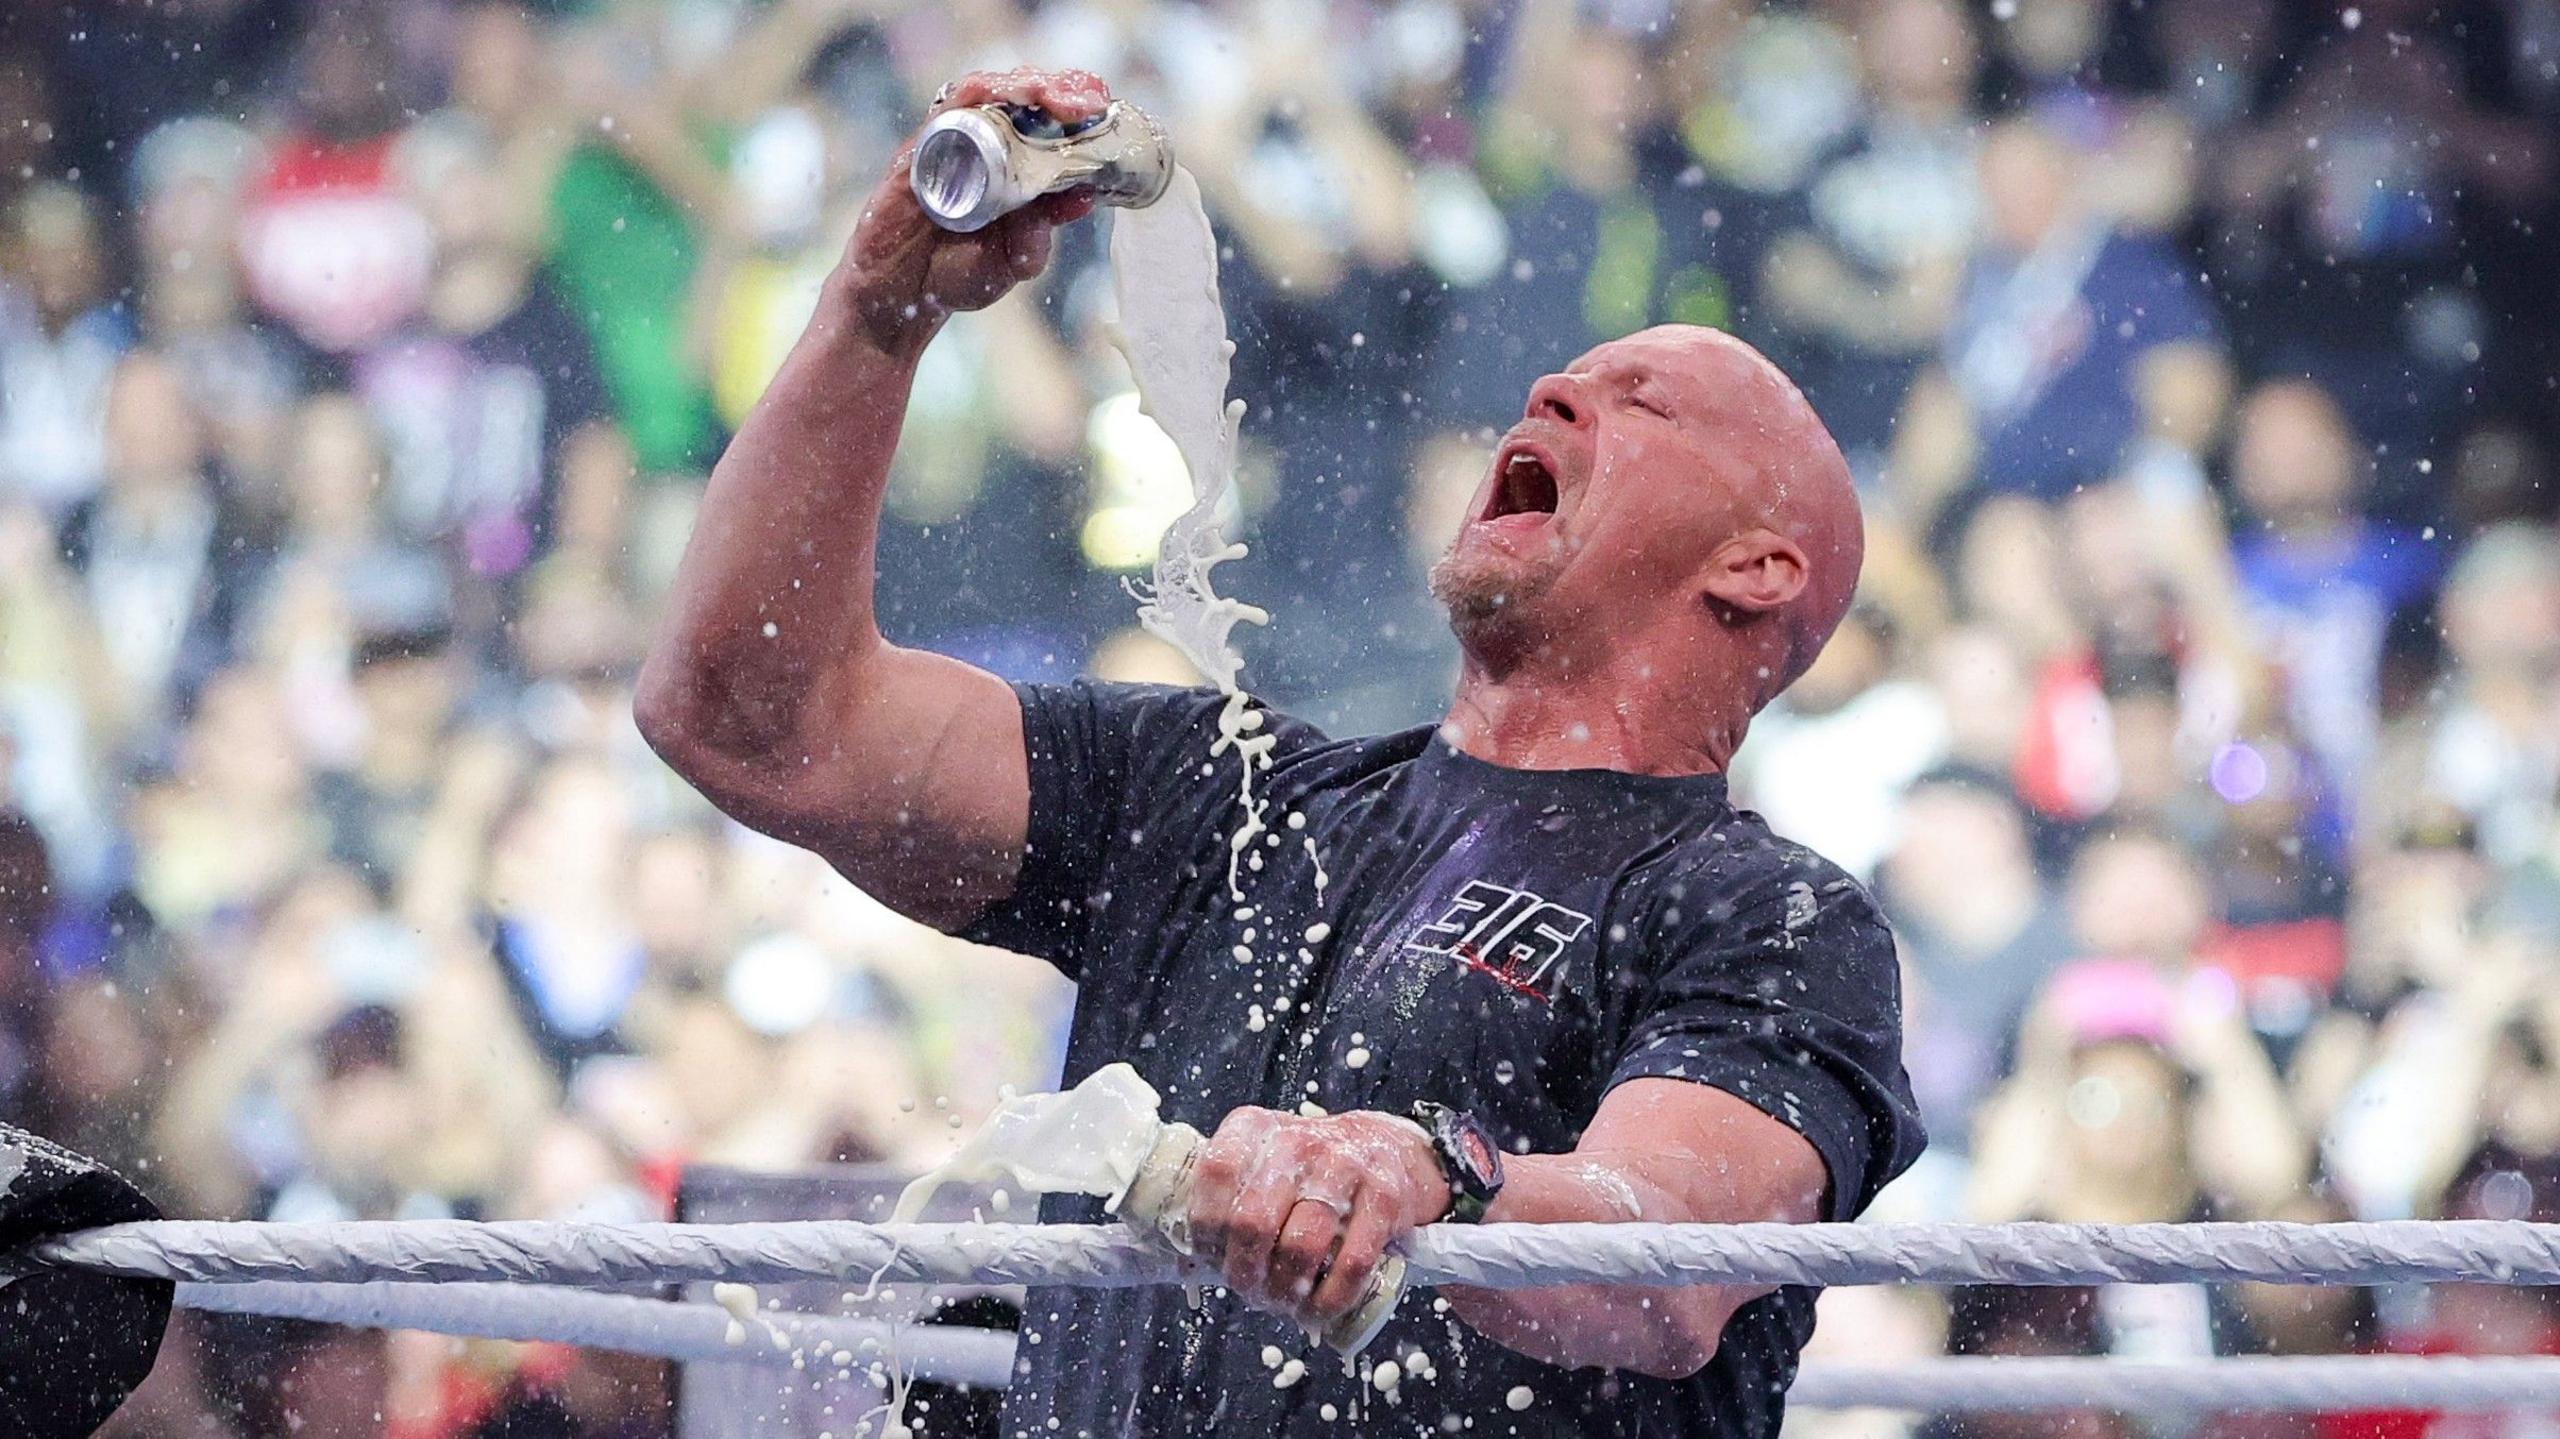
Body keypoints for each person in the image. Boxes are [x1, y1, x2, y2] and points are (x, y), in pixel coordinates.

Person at [637, 68, 1921, 1439]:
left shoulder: (1767, 916)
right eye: (1565, 380)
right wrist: (878, 308)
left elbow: (1663, 1264)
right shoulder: (1223, 794)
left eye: (1642, 402)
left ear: (1754, 569)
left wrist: (1435, 1179)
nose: (1552, 388)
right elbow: (752, 719)